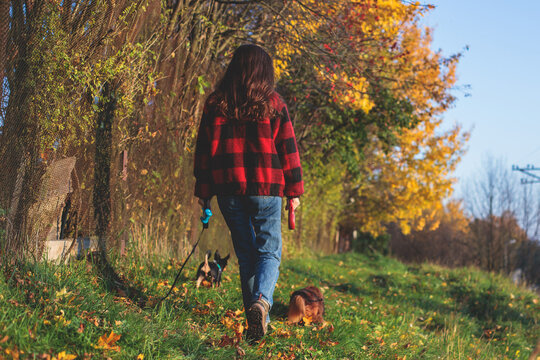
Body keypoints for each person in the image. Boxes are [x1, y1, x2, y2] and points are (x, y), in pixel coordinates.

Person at [193, 44, 303, 343]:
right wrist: (294, 191)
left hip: (229, 188)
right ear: (264, 71)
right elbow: (289, 149)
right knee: (269, 251)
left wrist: (204, 191)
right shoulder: (274, 103)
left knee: (246, 254)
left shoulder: (216, 103)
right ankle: (262, 303)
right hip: (267, 188)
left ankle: (256, 322)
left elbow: (205, 150)